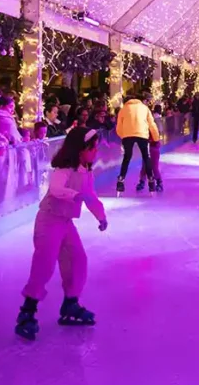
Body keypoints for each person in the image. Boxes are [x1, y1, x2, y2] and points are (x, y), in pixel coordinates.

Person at [15, 128, 108, 341]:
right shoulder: (63, 170)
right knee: (44, 264)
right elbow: (56, 189)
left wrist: (100, 216)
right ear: (80, 149)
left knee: (77, 260)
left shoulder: (86, 171)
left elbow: (91, 197)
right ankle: (27, 312)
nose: (95, 152)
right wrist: (76, 195)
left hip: (65, 223)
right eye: (92, 148)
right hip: (49, 220)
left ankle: (70, 304)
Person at [115, 94, 159, 195]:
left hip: (127, 136)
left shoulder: (123, 109)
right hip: (142, 134)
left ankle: (121, 180)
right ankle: (151, 180)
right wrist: (156, 138)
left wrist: (123, 136)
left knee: (127, 157)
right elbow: (152, 124)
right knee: (146, 157)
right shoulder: (144, 108)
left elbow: (119, 127)